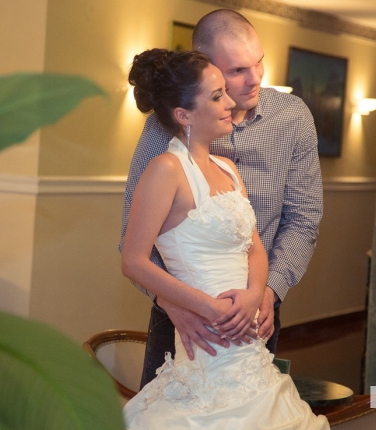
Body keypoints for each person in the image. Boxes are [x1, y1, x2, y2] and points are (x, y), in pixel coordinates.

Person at [121, 48, 328, 429]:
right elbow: (133, 260)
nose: (231, 102)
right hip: (204, 339)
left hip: (249, 345)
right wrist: (209, 309)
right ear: (183, 115)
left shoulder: (228, 169)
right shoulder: (165, 169)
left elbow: (255, 247)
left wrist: (254, 294)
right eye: (217, 96)